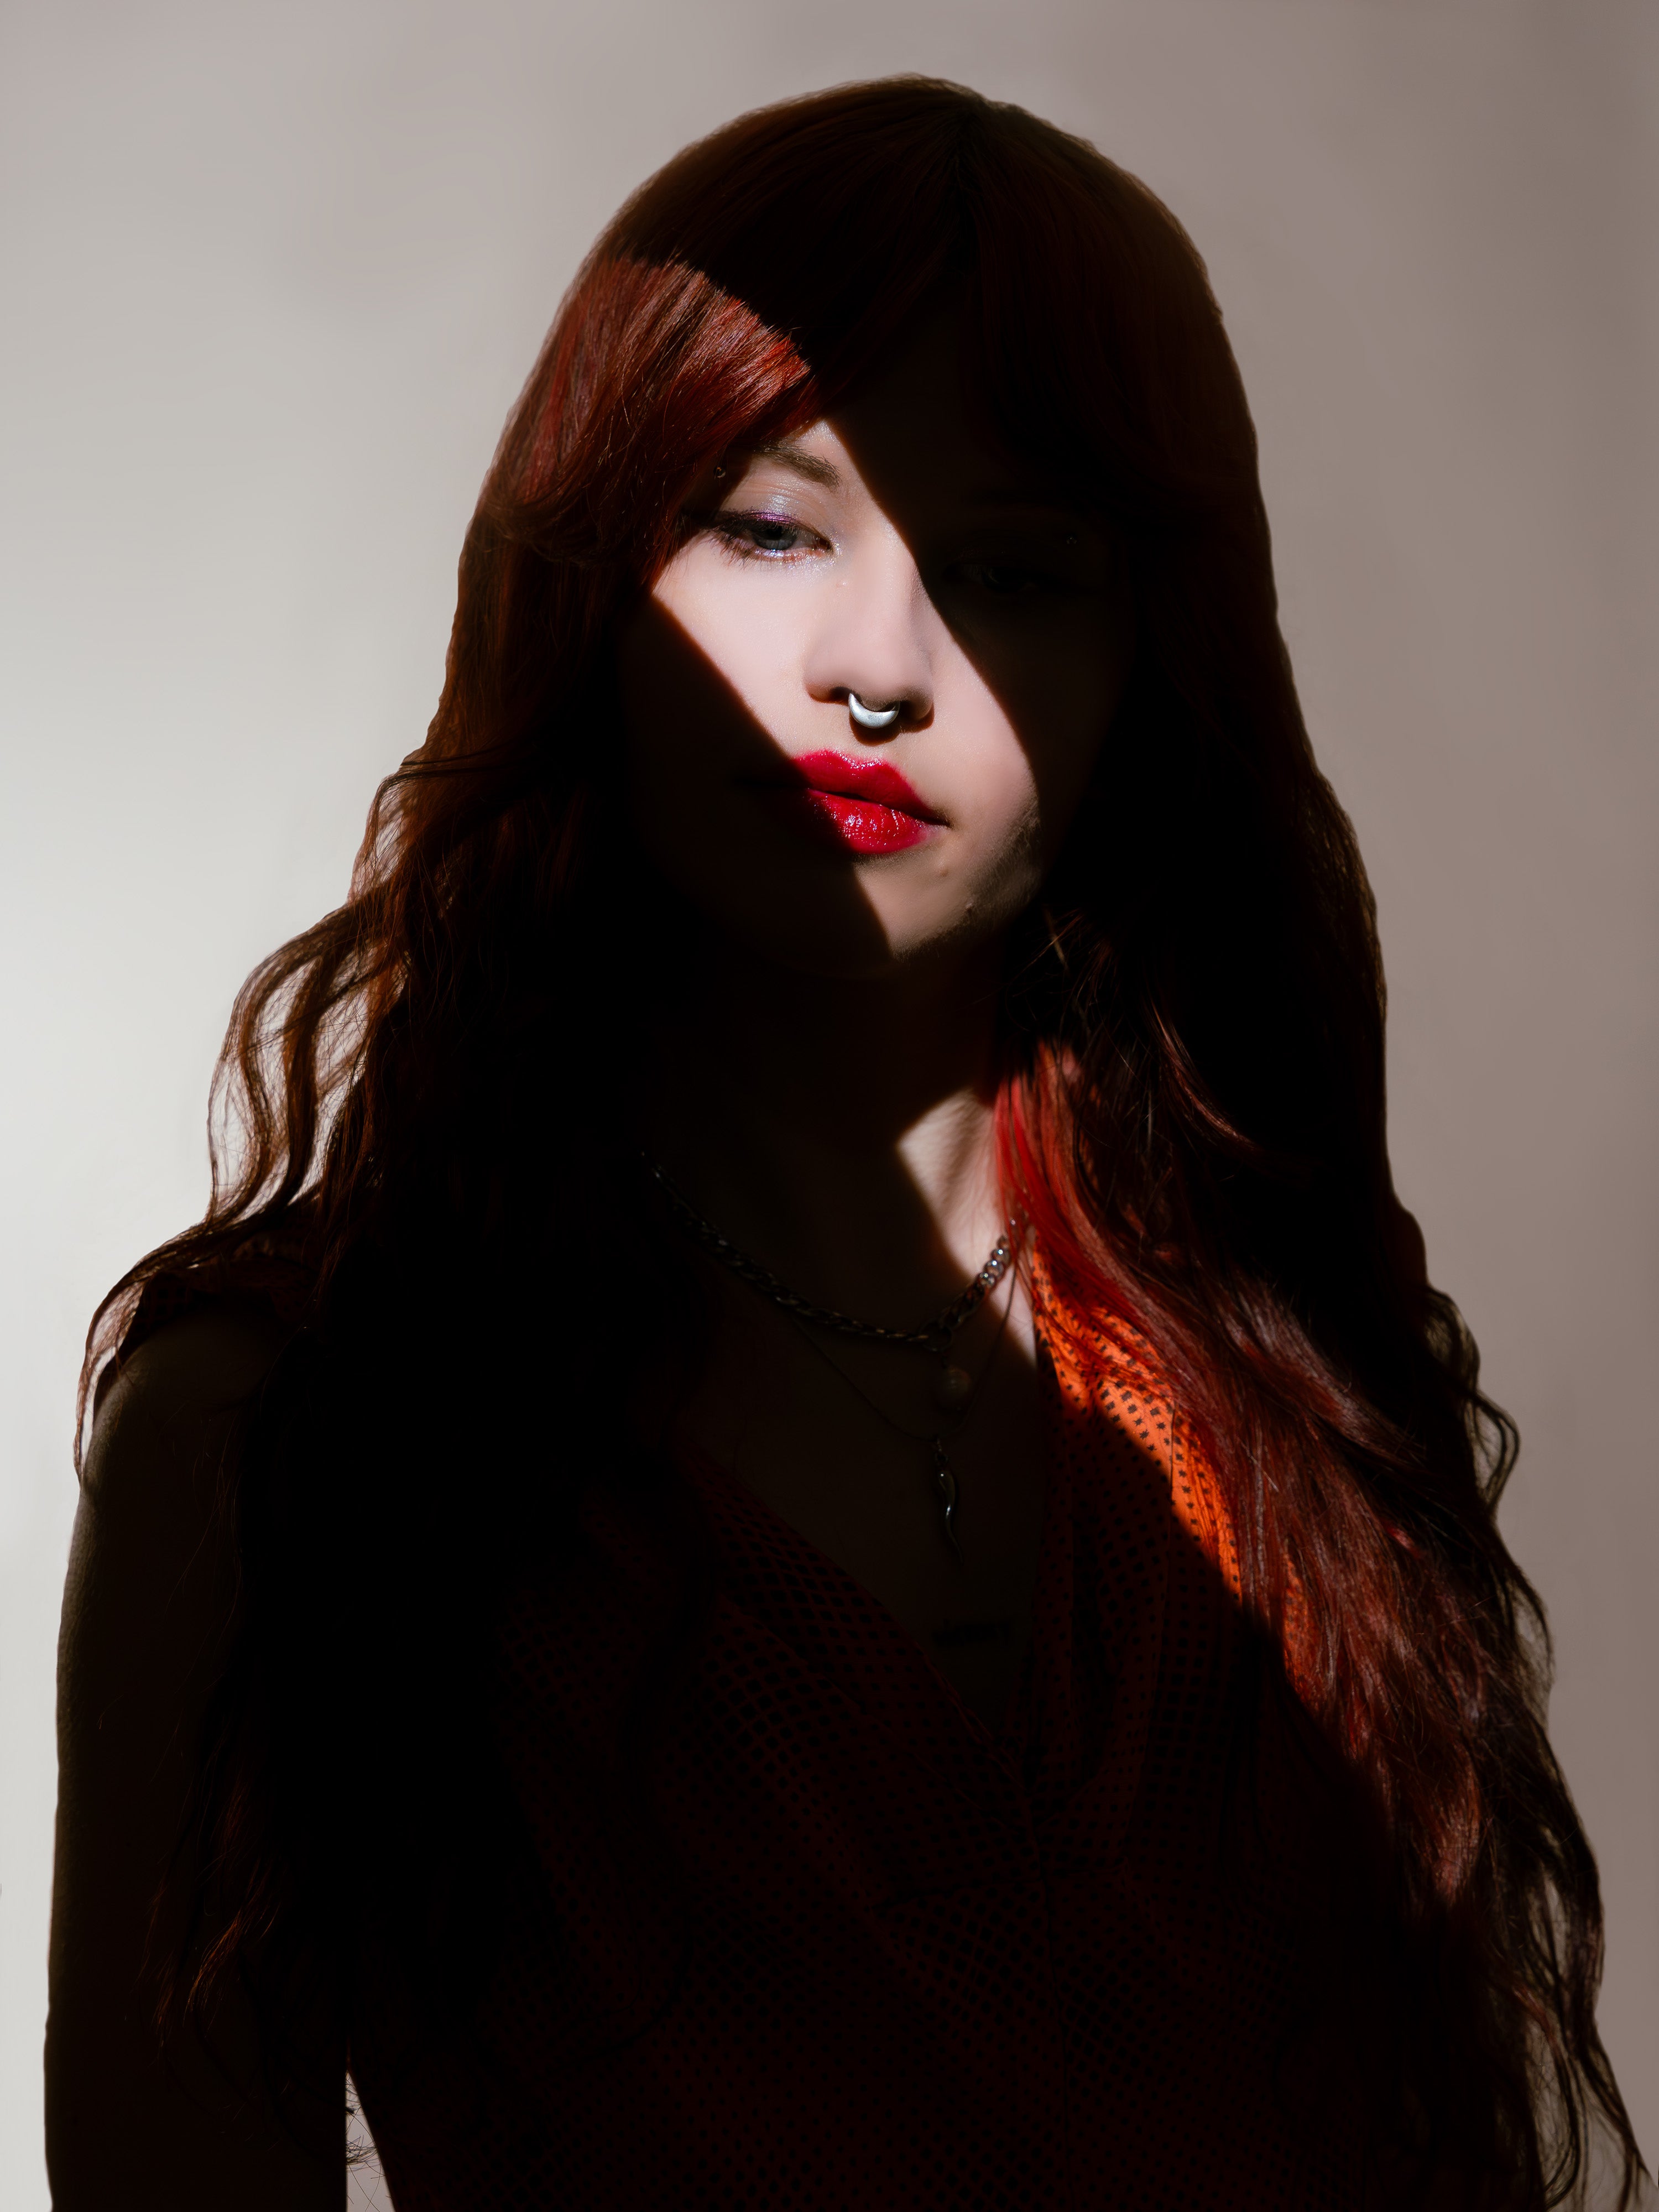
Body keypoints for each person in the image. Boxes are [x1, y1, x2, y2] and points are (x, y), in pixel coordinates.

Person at [46, 76, 1644, 2211]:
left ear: (1147, 664)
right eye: (771, 526)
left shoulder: (1291, 1379)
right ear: (591, 576)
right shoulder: (290, 1424)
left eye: (1010, 569)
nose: (878, 668)